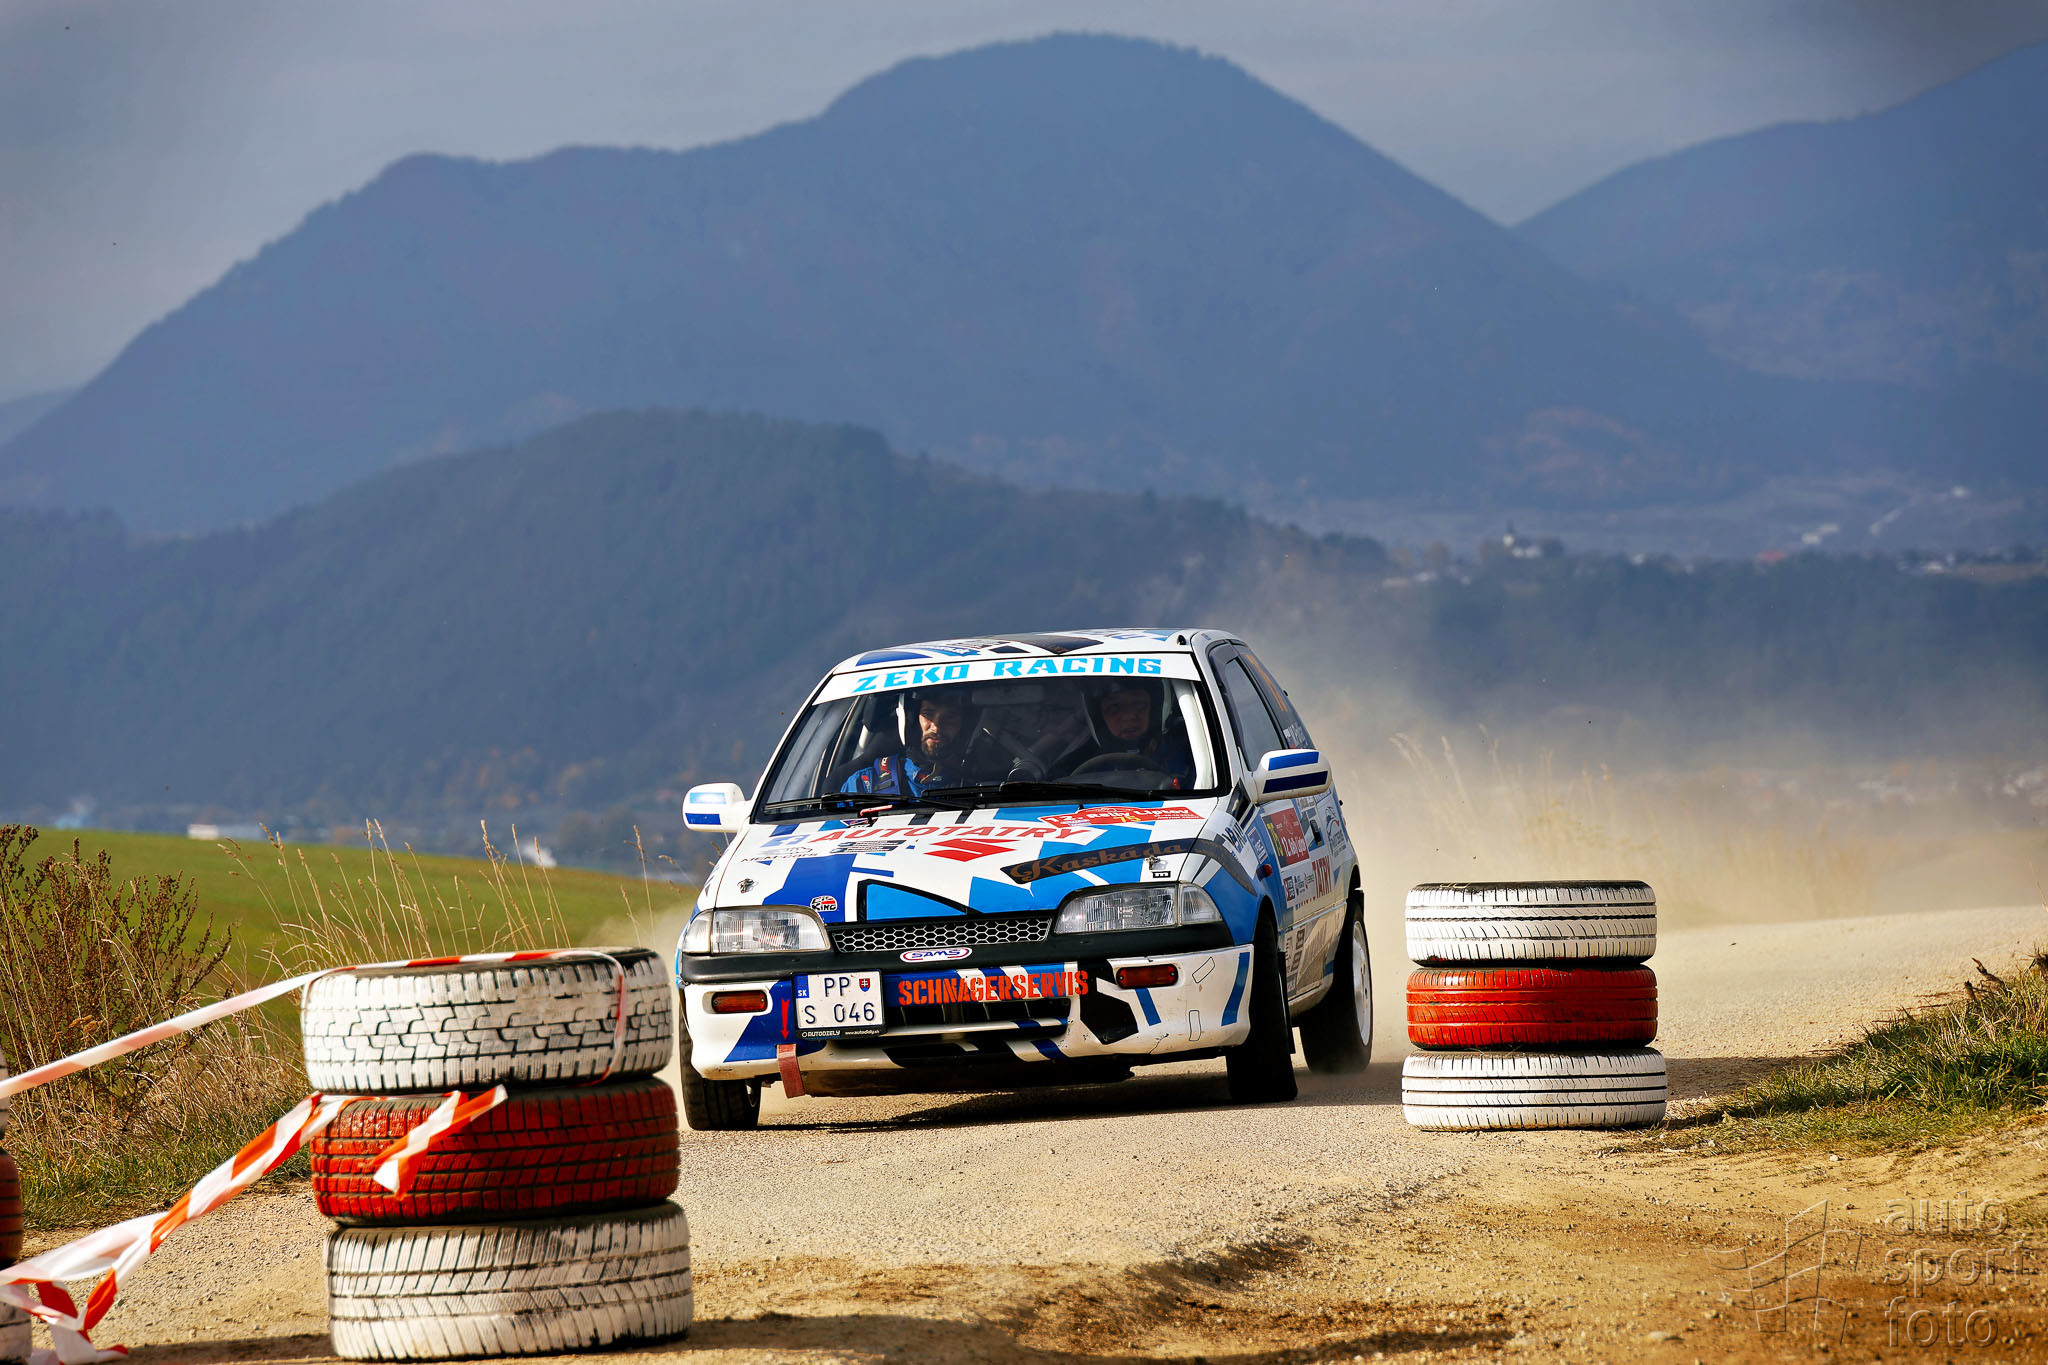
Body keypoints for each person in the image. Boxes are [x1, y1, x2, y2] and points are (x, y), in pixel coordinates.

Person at [1056, 678, 1195, 787]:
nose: (1129, 716)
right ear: (1099, 716)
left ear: (1155, 710)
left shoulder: (1193, 757)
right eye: (1114, 706)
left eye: (1138, 704)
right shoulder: (1071, 768)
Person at [840, 692, 973, 797]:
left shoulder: (978, 786)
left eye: (949, 717)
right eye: (928, 714)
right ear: (913, 720)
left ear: (963, 724)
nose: (936, 727)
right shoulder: (864, 785)